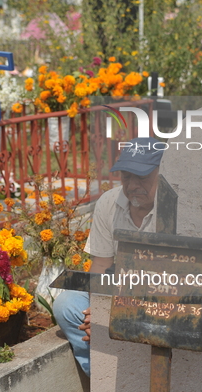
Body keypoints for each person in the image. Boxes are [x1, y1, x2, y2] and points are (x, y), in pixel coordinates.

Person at [53, 137, 163, 378]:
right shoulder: (109, 202)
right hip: (119, 286)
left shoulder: (175, 207)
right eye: (126, 176)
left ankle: (132, 375)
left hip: (160, 295)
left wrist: (115, 313)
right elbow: (101, 265)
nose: (133, 184)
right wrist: (100, 313)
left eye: (142, 176)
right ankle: (107, 377)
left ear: (162, 173)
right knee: (66, 304)